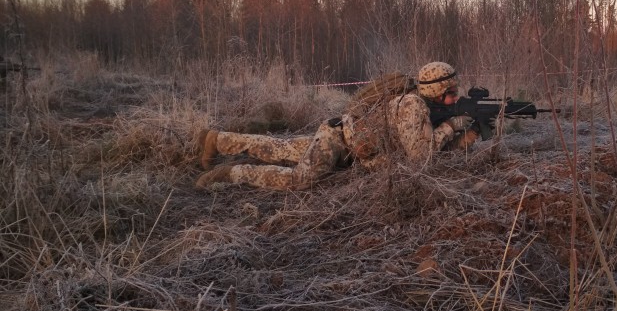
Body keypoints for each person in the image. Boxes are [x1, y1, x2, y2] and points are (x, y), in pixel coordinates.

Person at [195, 61, 479, 190]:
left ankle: (217, 140)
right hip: (338, 142)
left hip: (341, 138)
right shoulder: (413, 105)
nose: (454, 97)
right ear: (434, 90)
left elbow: (425, 145)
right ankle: (229, 173)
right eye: (451, 92)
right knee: (299, 180)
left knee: (280, 147)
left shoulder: (422, 104)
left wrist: (468, 136)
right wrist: (452, 126)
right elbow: (420, 158)